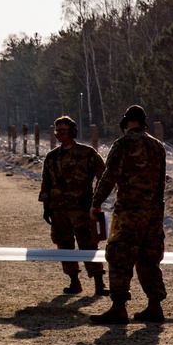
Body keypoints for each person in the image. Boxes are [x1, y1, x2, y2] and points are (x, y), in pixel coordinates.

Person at [89, 105, 167, 324]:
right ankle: (154, 305)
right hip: (153, 213)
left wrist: (96, 203)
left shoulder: (122, 144)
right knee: (149, 258)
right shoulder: (157, 146)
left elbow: (109, 176)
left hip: (130, 212)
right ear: (144, 124)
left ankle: (119, 307)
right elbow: (161, 182)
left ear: (125, 124)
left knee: (119, 256)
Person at [39, 116, 108, 296]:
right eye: (57, 131)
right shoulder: (52, 157)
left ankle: (99, 282)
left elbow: (105, 177)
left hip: (82, 209)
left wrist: (97, 202)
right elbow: (46, 183)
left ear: (73, 132)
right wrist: (46, 206)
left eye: (63, 131)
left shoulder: (87, 153)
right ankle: (74, 281)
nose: (59, 134)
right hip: (58, 210)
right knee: (64, 245)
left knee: (89, 245)